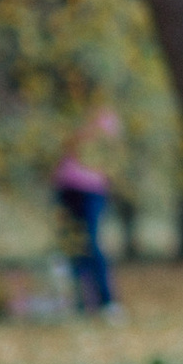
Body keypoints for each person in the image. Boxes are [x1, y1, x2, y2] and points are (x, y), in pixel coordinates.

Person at [53, 107, 123, 316]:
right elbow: (61, 142)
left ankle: (107, 301)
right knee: (72, 246)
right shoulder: (65, 107)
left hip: (92, 189)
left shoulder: (104, 113)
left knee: (92, 243)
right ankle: (80, 303)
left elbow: (106, 147)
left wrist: (85, 132)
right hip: (66, 186)